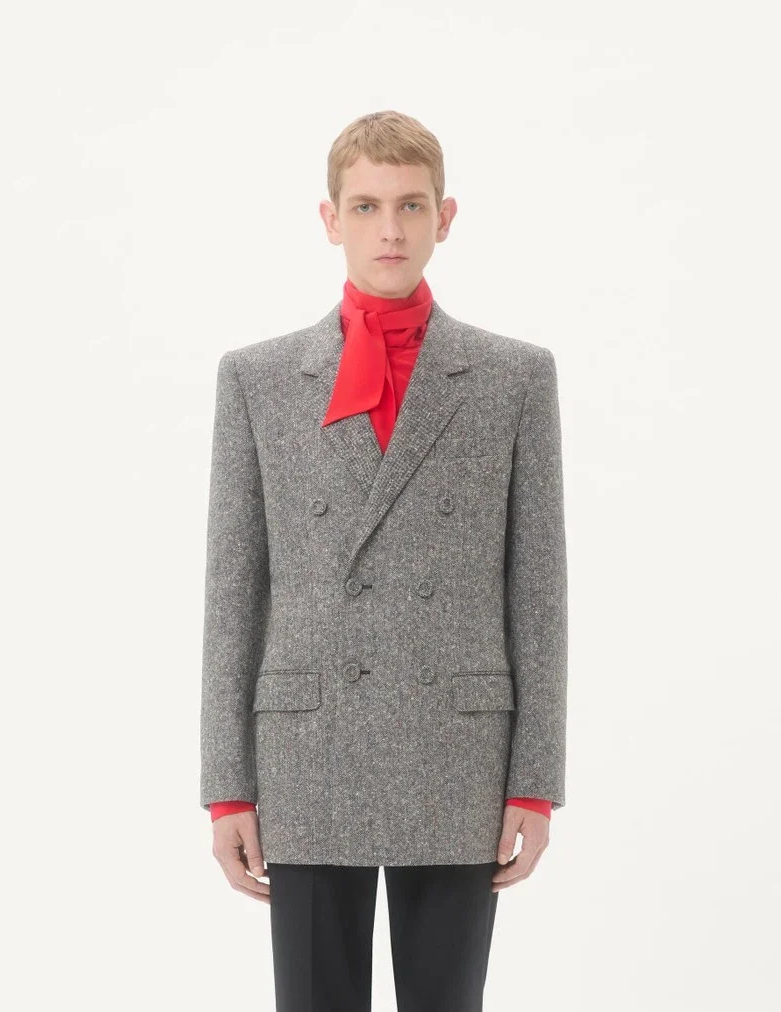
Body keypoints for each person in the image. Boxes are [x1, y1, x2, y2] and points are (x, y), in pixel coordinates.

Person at [200, 109, 568, 1012]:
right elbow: (233, 593)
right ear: (330, 219)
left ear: (447, 216)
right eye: (366, 206)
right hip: (308, 747)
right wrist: (226, 788)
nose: (390, 230)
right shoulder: (256, 378)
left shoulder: (515, 377)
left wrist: (535, 781)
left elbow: (539, 592)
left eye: (411, 205)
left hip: (458, 749)